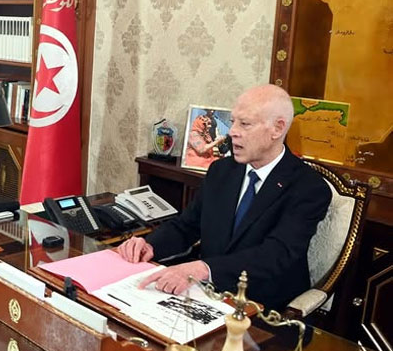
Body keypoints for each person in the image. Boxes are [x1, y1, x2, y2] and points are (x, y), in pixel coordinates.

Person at [118, 85, 331, 310]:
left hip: (263, 306)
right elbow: (187, 225)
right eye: (233, 122)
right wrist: (150, 245)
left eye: (245, 124)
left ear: (277, 128)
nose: (232, 132)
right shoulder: (222, 170)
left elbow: (276, 254)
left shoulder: (308, 187)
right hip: (206, 294)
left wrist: (203, 269)